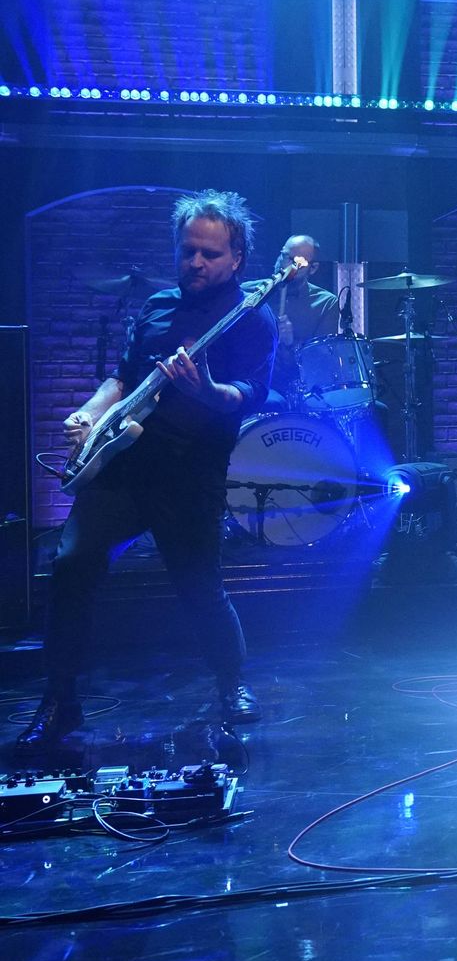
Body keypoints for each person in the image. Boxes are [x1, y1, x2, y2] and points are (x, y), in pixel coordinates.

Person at [15, 190, 278, 754]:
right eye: (188, 251)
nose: (196, 263)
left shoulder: (252, 317)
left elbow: (250, 394)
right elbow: (121, 378)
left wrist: (206, 390)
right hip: (123, 465)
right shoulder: (157, 305)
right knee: (71, 564)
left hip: (191, 471)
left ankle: (231, 684)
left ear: (237, 258)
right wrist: (89, 412)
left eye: (210, 254)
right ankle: (59, 701)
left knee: (199, 585)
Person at [260, 234, 340, 405]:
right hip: (255, 381)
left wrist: (290, 343)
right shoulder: (252, 293)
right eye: (284, 256)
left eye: (297, 261)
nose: (285, 265)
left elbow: (320, 362)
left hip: (299, 387)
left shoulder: (325, 303)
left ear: (313, 268)